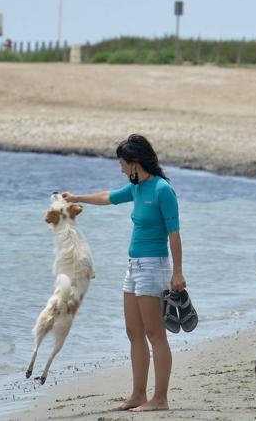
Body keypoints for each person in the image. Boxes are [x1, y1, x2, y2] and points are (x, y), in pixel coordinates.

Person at [62, 134, 186, 412]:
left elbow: (175, 234)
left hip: (154, 266)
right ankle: (138, 395)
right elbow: (108, 197)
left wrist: (177, 272)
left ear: (134, 163)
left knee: (156, 334)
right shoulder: (137, 188)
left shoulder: (162, 189)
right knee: (134, 332)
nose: (120, 168)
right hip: (134, 267)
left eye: (121, 163)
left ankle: (161, 399)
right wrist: (77, 198)